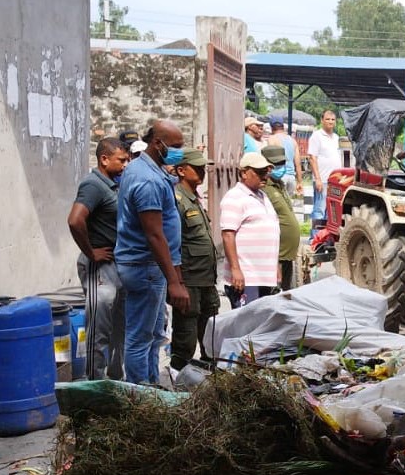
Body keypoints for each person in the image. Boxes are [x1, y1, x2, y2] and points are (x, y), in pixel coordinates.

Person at [114, 121, 190, 385]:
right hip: (144, 265)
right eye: (177, 146)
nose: (181, 151)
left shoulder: (146, 170)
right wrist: (174, 281)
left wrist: (175, 277)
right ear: (158, 143)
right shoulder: (146, 180)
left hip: (148, 266)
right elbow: (155, 234)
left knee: (154, 332)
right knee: (140, 336)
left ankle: (150, 385)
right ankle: (138, 395)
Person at [66, 137, 129, 379]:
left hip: (116, 265)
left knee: (118, 328)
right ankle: (94, 381)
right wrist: (91, 252)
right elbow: (75, 219)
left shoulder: (112, 185)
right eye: (120, 160)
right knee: (99, 328)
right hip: (99, 267)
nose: (125, 165)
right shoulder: (93, 185)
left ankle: (114, 379)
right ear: (104, 159)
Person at [170, 148, 220, 371]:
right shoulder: (177, 199)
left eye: (203, 168)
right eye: (196, 168)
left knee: (210, 335)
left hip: (206, 279)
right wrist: (177, 282)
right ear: (181, 170)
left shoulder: (194, 199)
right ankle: (178, 378)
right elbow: (173, 244)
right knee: (185, 339)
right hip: (189, 280)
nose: (202, 172)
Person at [220, 152, 281, 308]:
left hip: (264, 278)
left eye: (266, 172)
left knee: (261, 326)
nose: (265, 177)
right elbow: (228, 234)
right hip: (247, 277)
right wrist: (236, 269)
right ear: (244, 173)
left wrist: (275, 267)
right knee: (246, 327)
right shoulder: (234, 197)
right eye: (259, 173)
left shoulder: (263, 196)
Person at [261, 145, 303, 291]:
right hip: (276, 254)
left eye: (282, 164)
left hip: (287, 255)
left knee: (286, 291)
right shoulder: (264, 188)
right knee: (275, 292)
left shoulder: (279, 185)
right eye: (276, 165)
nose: (280, 168)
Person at [307, 109, 344, 231]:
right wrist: (317, 178)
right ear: (322, 120)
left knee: (331, 211)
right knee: (319, 210)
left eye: (333, 119)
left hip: (335, 181)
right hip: (322, 180)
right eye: (327, 119)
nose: (330, 122)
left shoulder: (336, 137)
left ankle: (326, 239)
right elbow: (312, 157)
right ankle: (315, 238)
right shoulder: (317, 136)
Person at [268, 120, 304, 197]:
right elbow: (298, 163)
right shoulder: (293, 141)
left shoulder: (272, 139)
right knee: (288, 205)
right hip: (291, 178)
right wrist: (300, 182)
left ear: (272, 128)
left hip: (278, 177)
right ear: (283, 127)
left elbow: (269, 159)